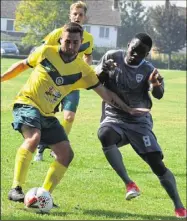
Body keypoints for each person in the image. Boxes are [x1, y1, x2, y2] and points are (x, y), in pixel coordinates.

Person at [1, 23, 148, 205]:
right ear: (61, 39)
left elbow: (105, 93)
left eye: (75, 43)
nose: (70, 46)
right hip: (26, 102)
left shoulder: (82, 69)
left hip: (47, 114)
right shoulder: (46, 51)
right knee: (34, 138)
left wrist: (129, 109)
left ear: (81, 44)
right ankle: (15, 188)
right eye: (67, 41)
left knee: (66, 153)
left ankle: (43, 196)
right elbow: (22, 66)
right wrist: (2, 77)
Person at [95, 33, 187, 218]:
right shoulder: (112, 56)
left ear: (146, 55)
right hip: (115, 116)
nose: (135, 55)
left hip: (139, 122)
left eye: (141, 53)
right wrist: (104, 70)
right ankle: (129, 183)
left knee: (156, 164)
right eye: (134, 49)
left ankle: (179, 205)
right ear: (128, 44)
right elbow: (96, 80)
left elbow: (159, 94)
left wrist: (155, 85)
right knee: (105, 135)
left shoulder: (149, 70)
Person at [34, 1, 94, 161]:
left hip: (72, 84)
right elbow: (43, 52)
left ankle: (57, 147)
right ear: (70, 15)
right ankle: (40, 148)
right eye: (75, 13)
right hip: (52, 84)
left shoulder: (88, 39)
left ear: (85, 17)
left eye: (81, 14)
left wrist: (85, 71)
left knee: (69, 117)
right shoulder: (57, 33)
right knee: (47, 116)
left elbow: (88, 55)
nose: (77, 17)